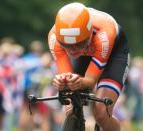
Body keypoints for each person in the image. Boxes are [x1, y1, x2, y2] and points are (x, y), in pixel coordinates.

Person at [48, 2, 129, 131]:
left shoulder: (105, 33)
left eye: (79, 44)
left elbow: (90, 82)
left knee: (101, 113)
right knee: (70, 110)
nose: (73, 51)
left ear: (90, 33)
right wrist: (61, 81)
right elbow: (66, 78)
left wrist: (78, 82)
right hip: (85, 56)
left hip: (114, 54)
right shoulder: (54, 38)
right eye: (66, 45)